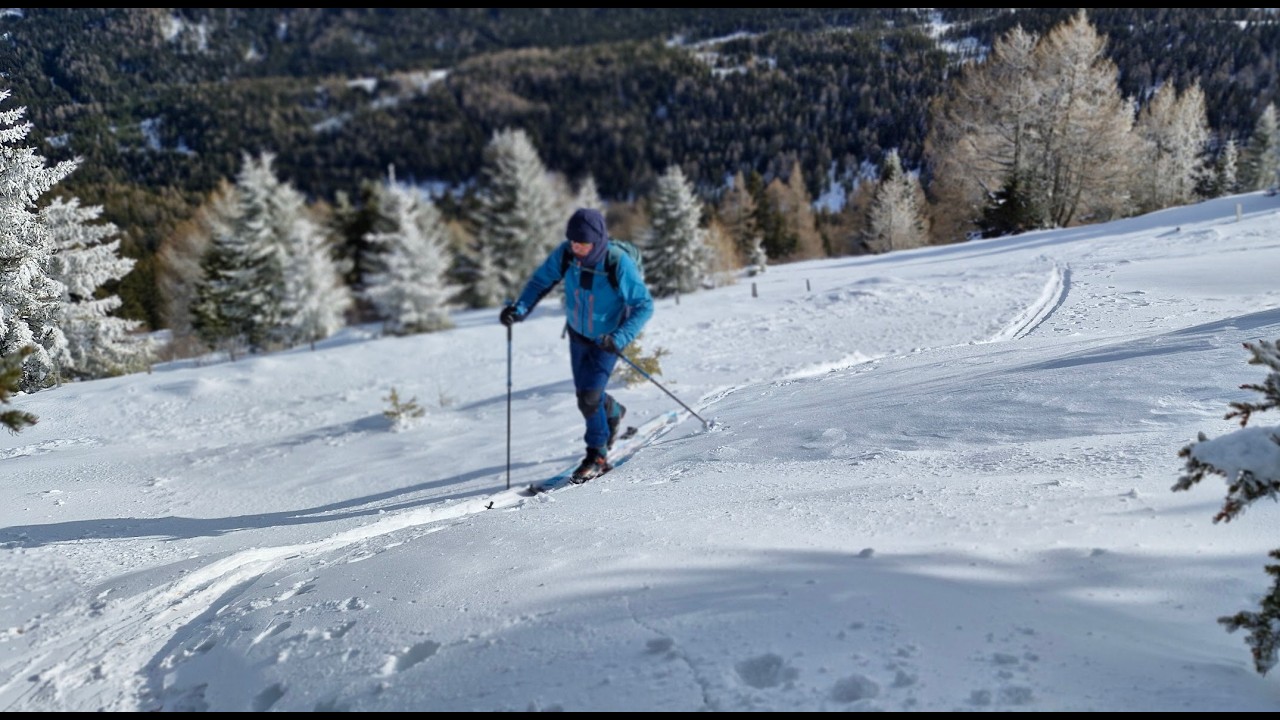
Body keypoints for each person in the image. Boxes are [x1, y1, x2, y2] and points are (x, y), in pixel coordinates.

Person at [499, 207, 654, 483]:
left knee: (588, 398)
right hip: (577, 335)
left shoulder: (616, 262)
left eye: (581, 243)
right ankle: (613, 411)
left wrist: (618, 338)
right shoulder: (566, 254)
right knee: (586, 395)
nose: (575, 247)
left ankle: (597, 455)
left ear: (597, 241)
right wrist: (519, 309)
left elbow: (644, 305)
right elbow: (539, 282)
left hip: (606, 341)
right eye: (572, 241)